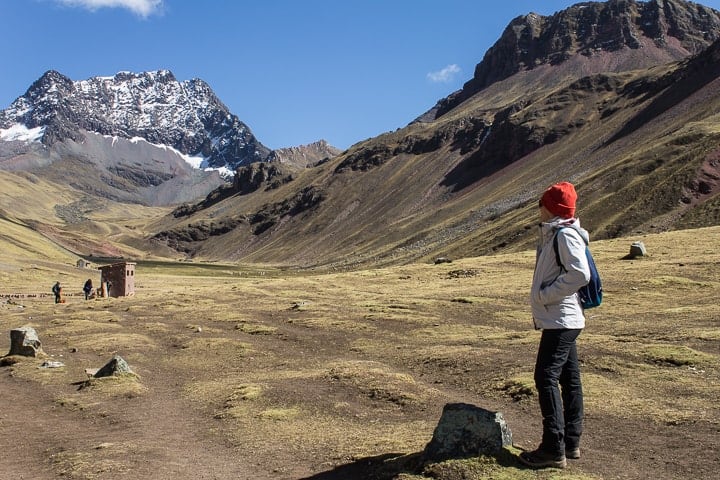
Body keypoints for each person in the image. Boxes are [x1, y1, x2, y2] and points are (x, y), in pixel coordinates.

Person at [519, 182, 591, 469]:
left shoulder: (564, 235)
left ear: (551, 207)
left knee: (545, 376)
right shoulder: (557, 233)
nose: (538, 207)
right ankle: (570, 442)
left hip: (562, 318)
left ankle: (552, 448)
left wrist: (544, 295)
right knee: (568, 378)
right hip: (563, 317)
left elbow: (580, 274)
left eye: (542, 202)